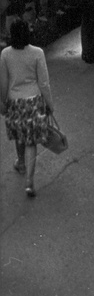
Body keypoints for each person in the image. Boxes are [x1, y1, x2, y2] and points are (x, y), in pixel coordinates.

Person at [0, 19, 54, 198]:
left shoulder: (5, 54)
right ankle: (29, 181)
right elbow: (44, 82)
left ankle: (20, 162)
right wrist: (49, 104)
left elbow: (4, 81)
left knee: (19, 134)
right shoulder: (37, 53)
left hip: (15, 101)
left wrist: (3, 102)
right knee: (32, 141)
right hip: (34, 101)